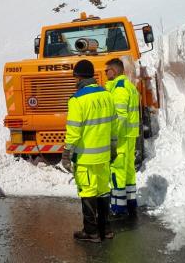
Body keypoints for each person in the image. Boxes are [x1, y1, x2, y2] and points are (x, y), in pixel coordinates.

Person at [61, 59, 117, 242]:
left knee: (87, 192)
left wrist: (67, 153)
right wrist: (113, 146)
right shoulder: (107, 95)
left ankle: (91, 232)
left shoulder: (77, 99)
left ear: (78, 77)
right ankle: (105, 229)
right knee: (102, 191)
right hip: (103, 155)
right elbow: (114, 125)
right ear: (92, 76)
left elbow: (74, 131)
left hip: (85, 157)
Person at [105, 58, 140, 217]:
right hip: (130, 135)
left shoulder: (119, 89)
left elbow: (120, 116)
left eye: (107, 70)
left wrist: (112, 138)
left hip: (121, 137)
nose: (105, 73)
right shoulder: (130, 86)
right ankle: (131, 203)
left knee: (117, 170)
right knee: (128, 170)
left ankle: (118, 208)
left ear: (115, 70)